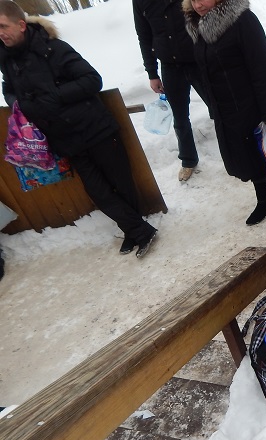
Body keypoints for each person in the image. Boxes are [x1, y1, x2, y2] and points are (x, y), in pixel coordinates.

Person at [0, 1, 157, 257]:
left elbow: (92, 80)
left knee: (121, 183)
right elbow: (9, 89)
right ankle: (138, 229)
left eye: (2, 26)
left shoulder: (53, 48)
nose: (0, 33)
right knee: (98, 191)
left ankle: (134, 230)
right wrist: (19, 104)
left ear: (20, 25)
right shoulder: (6, 59)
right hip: (64, 138)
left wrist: (53, 97)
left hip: (95, 128)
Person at [183, 0, 266, 225]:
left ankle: (264, 201)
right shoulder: (198, 25)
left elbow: (263, 67)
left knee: (255, 152)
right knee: (243, 154)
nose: (198, 4)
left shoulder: (243, 20)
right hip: (224, 107)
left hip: (250, 104)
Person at [133, 0, 210, 182]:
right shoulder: (139, 2)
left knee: (219, 105)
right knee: (180, 118)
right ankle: (188, 160)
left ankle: (237, 145)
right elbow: (144, 36)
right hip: (170, 67)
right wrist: (152, 73)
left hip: (199, 60)